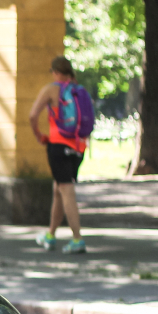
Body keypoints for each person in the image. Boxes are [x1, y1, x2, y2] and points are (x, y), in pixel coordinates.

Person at [29, 56, 92, 254]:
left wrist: (39, 135)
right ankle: (50, 235)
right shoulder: (78, 90)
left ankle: (77, 239)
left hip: (58, 147)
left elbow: (32, 115)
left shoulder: (51, 89)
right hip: (77, 148)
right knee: (58, 188)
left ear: (56, 72)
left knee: (66, 190)